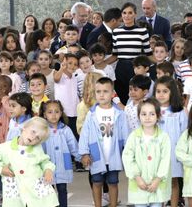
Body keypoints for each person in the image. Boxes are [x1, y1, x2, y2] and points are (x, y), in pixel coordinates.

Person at [79, 77, 129, 207]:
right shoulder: (92, 114)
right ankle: (98, 205)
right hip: (96, 155)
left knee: (113, 182)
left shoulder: (119, 113)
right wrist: (84, 153)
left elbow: (126, 134)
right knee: (96, 182)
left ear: (113, 94)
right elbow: (85, 134)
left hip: (113, 154)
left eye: (105, 91)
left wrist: (128, 152)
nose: (101, 95)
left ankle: (113, 204)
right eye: (98, 91)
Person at [0, 117, 58, 207]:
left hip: (35, 192)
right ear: (25, 127)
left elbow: (45, 162)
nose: (33, 138)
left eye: (37, 138)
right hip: (15, 192)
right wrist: (1, 169)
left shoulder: (37, 149)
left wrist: (48, 170)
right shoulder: (5, 147)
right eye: (33, 132)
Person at [122, 98, 172, 207]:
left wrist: (158, 179)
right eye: (143, 114)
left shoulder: (164, 137)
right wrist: (137, 177)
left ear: (158, 116)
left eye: (152, 114)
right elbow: (127, 158)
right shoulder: (133, 136)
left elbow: (165, 160)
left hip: (157, 186)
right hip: (139, 185)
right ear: (138, 116)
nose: (147, 117)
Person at [105, 2, 152, 104]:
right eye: (124, 13)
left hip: (135, 68)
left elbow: (149, 54)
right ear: (121, 15)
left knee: (136, 97)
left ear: (135, 14)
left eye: (130, 13)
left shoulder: (142, 31)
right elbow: (115, 55)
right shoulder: (116, 32)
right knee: (121, 97)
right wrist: (100, 64)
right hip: (120, 68)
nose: (127, 16)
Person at [154, 76, 187, 207]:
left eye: (165, 91)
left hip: (173, 153)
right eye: (158, 91)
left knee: (173, 181)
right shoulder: (152, 110)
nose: (161, 95)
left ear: (172, 92)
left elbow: (184, 133)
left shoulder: (179, 111)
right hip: (156, 152)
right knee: (158, 181)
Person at [41, 100, 80, 207]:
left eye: (56, 111)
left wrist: (80, 157)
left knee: (62, 189)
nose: (53, 115)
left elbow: (73, 146)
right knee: (49, 191)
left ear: (61, 113)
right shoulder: (42, 130)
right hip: (47, 167)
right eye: (50, 112)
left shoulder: (65, 129)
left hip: (62, 166)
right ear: (44, 115)